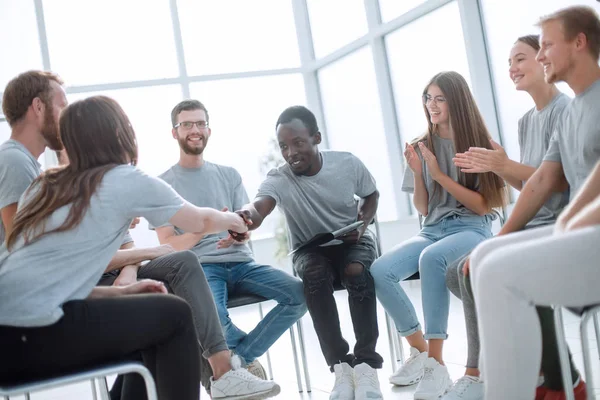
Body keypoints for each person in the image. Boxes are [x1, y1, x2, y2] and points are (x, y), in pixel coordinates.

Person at [0, 95, 255, 399]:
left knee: (146, 325)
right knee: (174, 315)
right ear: (120, 132)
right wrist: (237, 221)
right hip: (31, 338)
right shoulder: (122, 179)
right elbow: (198, 220)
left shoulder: (44, 185)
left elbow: (43, 281)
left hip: (9, 341)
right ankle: (224, 377)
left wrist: (119, 294)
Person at [54, 150, 280, 400]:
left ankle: (223, 374)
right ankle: (220, 378)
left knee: (183, 262)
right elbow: (86, 263)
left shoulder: (105, 190)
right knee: (171, 309)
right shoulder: (65, 197)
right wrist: (152, 251)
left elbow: (127, 247)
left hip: (122, 273)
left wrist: (130, 270)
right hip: (90, 284)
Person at [468, 6, 600, 399]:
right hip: (580, 235)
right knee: (486, 258)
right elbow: (544, 178)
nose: (541, 56)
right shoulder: (575, 110)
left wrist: (569, 225)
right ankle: (534, 384)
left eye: (546, 45)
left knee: (498, 273)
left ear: (579, 43)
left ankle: (550, 383)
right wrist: (501, 236)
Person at [445, 35, 578, 400]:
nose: (512, 68)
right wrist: (503, 169)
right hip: (536, 220)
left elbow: (557, 182)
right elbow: (529, 183)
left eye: (520, 58)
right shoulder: (525, 121)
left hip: (560, 224)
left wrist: (504, 165)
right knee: (456, 272)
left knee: (492, 268)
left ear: (543, 60)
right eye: (508, 62)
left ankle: (553, 373)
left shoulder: (566, 110)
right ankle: (537, 365)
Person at [369, 71, 506, 400]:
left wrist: (440, 175)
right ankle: (421, 352)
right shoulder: (422, 145)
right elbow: (422, 206)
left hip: (472, 228)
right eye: (428, 98)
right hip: (432, 228)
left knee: (432, 259)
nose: (432, 104)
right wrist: (419, 174)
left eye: (439, 98)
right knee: (380, 270)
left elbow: (484, 204)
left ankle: (436, 362)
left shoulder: (480, 146)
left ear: (456, 101)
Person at [234, 105, 384, 400]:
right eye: (284, 146)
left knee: (356, 270)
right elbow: (259, 206)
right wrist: (245, 216)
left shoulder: (347, 163)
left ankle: (366, 364)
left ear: (316, 137)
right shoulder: (279, 178)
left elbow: (371, 195)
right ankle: (340, 366)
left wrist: (363, 224)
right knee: (315, 275)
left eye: (298, 142)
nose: (291, 152)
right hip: (310, 249)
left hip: (353, 239)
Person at [153, 100, 306, 379]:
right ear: (174, 133)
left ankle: (240, 359)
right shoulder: (162, 185)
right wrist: (205, 228)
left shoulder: (229, 175)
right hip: (201, 269)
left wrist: (241, 233)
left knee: (299, 294)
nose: (195, 130)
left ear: (209, 130)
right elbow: (167, 246)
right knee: (213, 323)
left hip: (241, 261)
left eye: (200, 123)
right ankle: (242, 365)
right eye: (186, 124)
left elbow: (244, 224)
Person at [0, 70, 67, 244]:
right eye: (62, 107)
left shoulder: (25, 163)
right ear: (38, 107)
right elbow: (25, 246)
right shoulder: (14, 161)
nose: (67, 118)